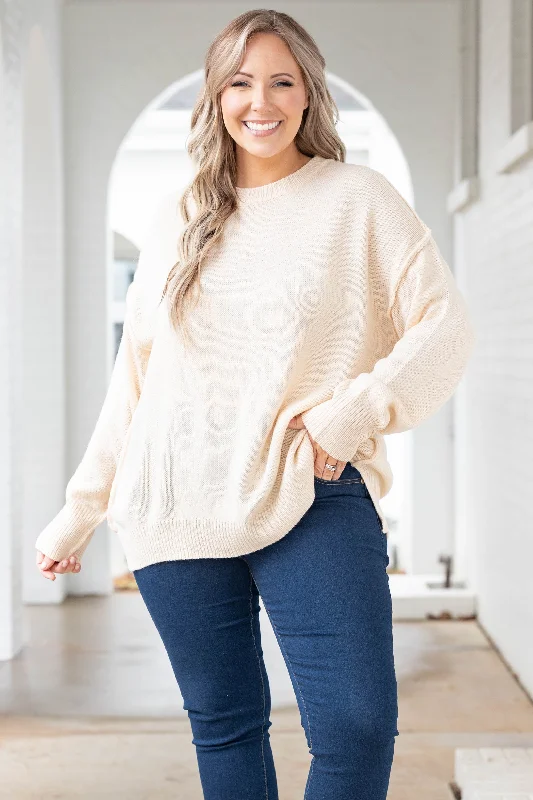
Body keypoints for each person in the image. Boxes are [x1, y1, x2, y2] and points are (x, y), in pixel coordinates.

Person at [34, 9, 476, 799]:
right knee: (227, 726)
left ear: (310, 95)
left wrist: (354, 411)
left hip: (313, 489)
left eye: (281, 81)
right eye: (239, 82)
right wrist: (81, 509)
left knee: (355, 728)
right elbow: (136, 377)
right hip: (174, 501)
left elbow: (444, 328)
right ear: (215, 96)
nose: (259, 101)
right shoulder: (179, 217)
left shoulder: (356, 200)